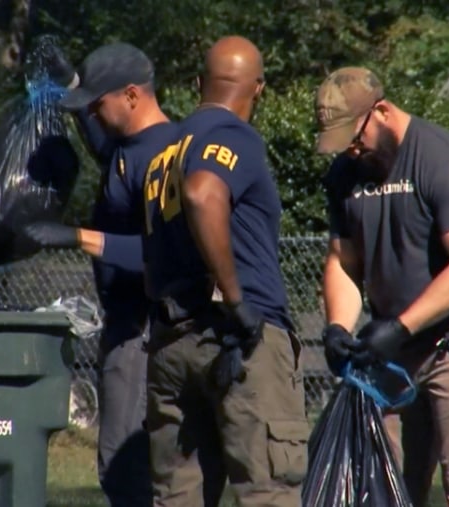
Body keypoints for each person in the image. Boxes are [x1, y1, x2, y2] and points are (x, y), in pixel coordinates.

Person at [315, 66, 449, 507]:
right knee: (383, 485)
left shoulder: (446, 160)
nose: (351, 153)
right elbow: (343, 262)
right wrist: (337, 326)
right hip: (395, 350)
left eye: (356, 139)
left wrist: (400, 326)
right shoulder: (344, 175)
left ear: (382, 112)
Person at [142, 35, 308, 507]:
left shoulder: (164, 152)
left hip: (173, 341)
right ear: (259, 89)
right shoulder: (233, 134)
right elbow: (202, 193)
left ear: (198, 84)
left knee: (178, 494)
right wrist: (236, 301)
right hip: (238, 339)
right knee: (268, 490)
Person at [23, 42, 177, 507]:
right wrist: (72, 84)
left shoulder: (165, 156)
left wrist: (77, 237)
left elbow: (164, 256)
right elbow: (105, 146)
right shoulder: (129, 146)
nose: (93, 113)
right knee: (124, 465)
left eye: (98, 103)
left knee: (123, 465)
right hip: (124, 323)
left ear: (131, 96)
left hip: (145, 329)